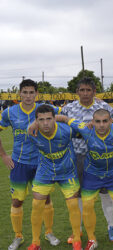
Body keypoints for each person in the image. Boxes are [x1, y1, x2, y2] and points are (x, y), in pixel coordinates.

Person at [55, 109, 113, 250]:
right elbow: (63, 118)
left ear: (111, 121)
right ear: (92, 122)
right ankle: (91, 239)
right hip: (92, 174)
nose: (101, 125)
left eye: (105, 121)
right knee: (87, 206)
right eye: (98, 121)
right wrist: (34, 123)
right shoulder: (84, 129)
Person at [0, 79, 60, 250]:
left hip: (42, 163)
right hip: (19, 164)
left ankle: (48, 232)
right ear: (20, 94)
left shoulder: (45, 110)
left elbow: (65, 113)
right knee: (17, 201)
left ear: (36, 94)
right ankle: (18, 236)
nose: (28, 96)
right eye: (24, 92)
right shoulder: (9, 113)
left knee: (45, 199)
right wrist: (4, 155)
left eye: (31, 92)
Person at [61, 77, 113, 242]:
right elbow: (62, 127)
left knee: (105, 193)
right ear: (77, 92)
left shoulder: (104, 107)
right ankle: (77, 229)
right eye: (82, 90)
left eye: (89, 90)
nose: (85, 93)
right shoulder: (68, 109)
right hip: (77, 156)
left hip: (100, 157)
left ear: (94, 91)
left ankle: (111, 226)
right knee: (78, 194)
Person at [27, 105, 81, 250]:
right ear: (36, 121)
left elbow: (84, 131)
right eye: (41, 120)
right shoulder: (32, 132)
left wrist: (65, 118)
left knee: (73, 205)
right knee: (36, 205)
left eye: (49, 119)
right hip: (45, 172)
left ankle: (76, 240)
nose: (45, 123)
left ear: (54, 119)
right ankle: (35, 242)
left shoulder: (67, 131)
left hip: (67, 171)